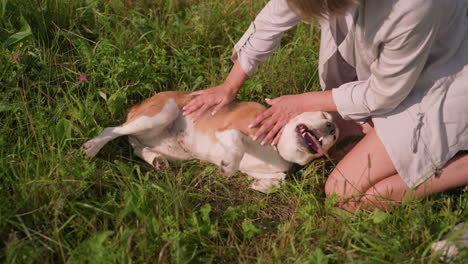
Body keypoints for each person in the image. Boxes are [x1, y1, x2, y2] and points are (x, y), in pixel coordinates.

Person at [182, 0, 468, 212]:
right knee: (331, 127)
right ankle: (377, 132)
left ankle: (461, 166)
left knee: (344, 196)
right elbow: (279, 12)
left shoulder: (413, 5)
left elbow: (384, 94)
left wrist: (301, 102)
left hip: (443, 83)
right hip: (399, 73)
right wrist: (230, 85)